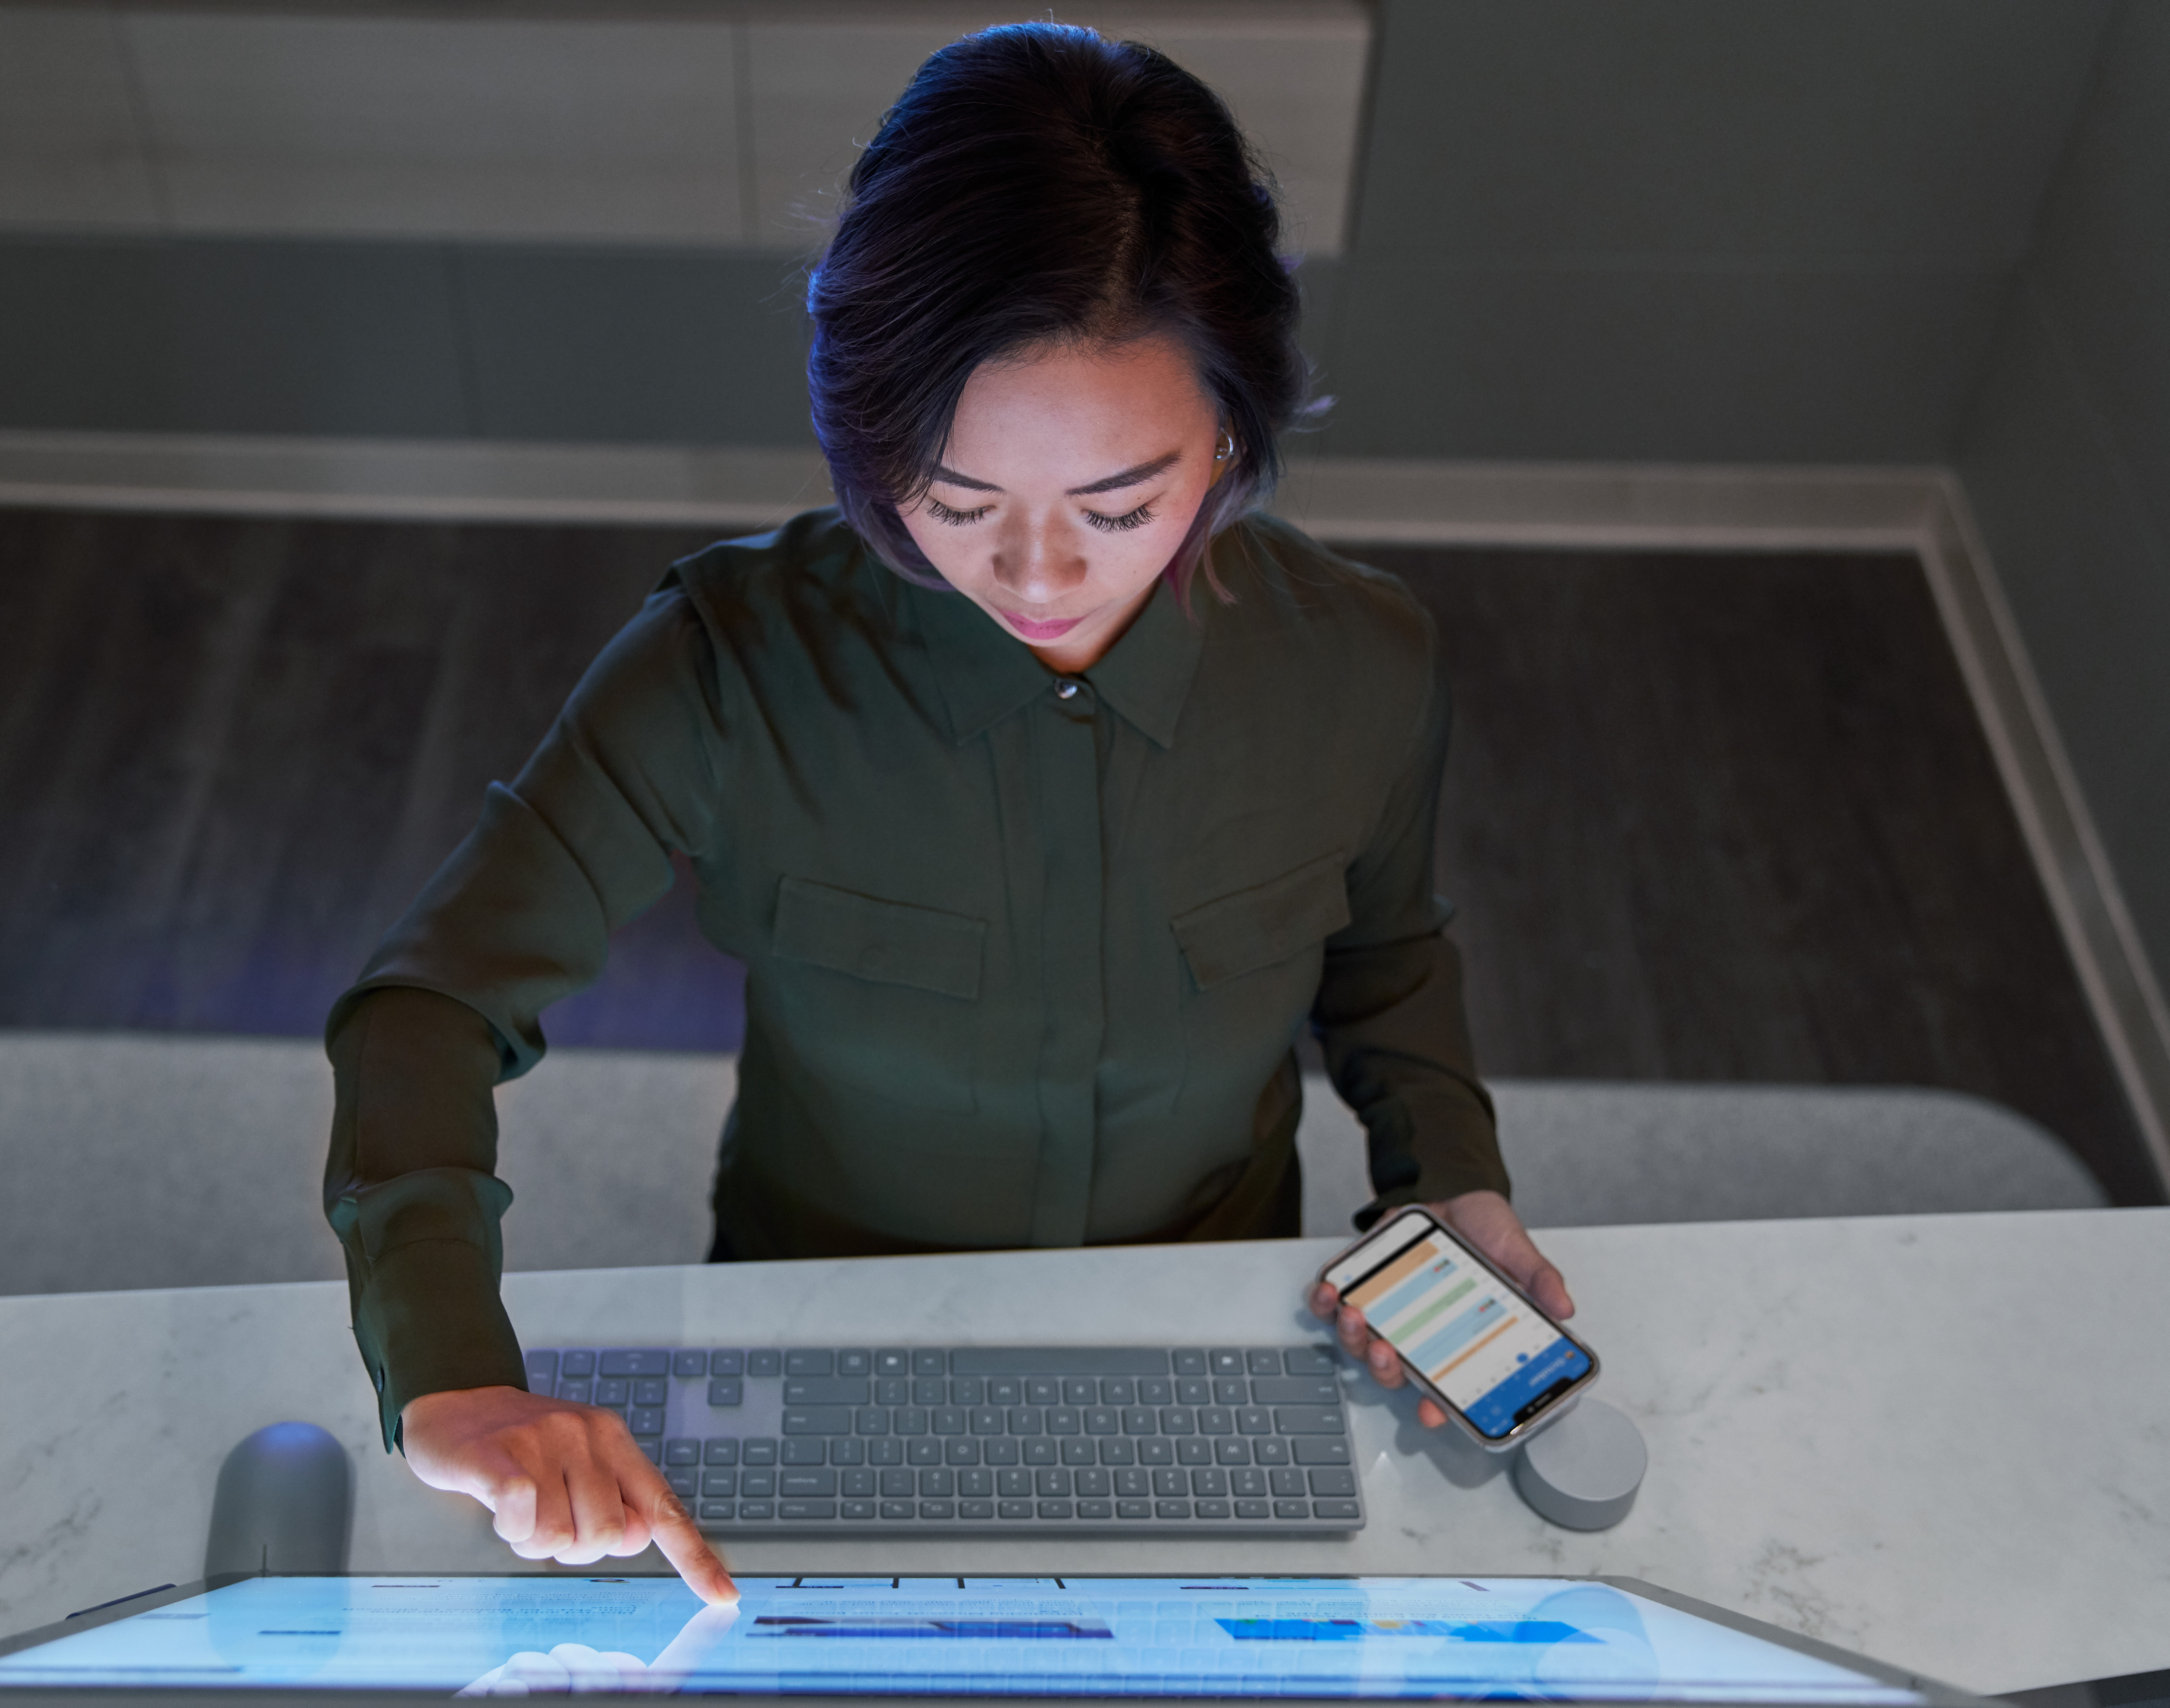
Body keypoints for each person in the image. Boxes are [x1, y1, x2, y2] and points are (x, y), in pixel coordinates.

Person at [320, 22, 1573, 1605]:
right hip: (818, 1321)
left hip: (1203, 1321)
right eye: (956, 501)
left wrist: (1447, 1183)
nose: (1038, 577)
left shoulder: (1366, 665)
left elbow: (1389, 964)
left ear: (1235, 443)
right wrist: (454, 1375)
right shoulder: (725, 666)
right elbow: (426, 1004)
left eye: (1119, 505)